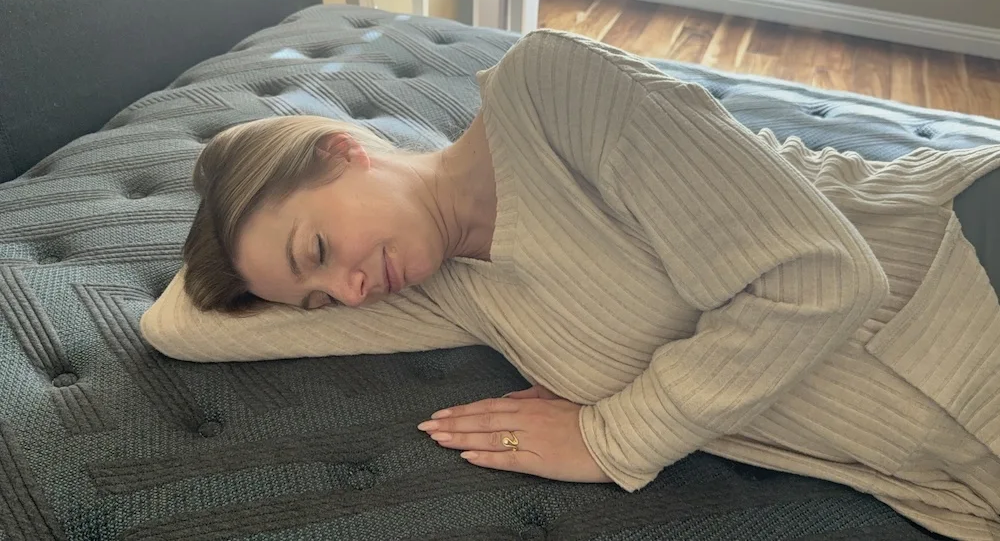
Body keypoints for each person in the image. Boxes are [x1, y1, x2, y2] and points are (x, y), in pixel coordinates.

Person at [140, 29, 1000, 540]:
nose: (352, 290)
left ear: (342, 148)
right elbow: (179, 328)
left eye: (321, 247)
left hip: (961, 277)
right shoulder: (451, 290)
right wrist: (246, 233)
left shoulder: (549, 90)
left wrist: (609, 438)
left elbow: (822, 278)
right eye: (322, 297)